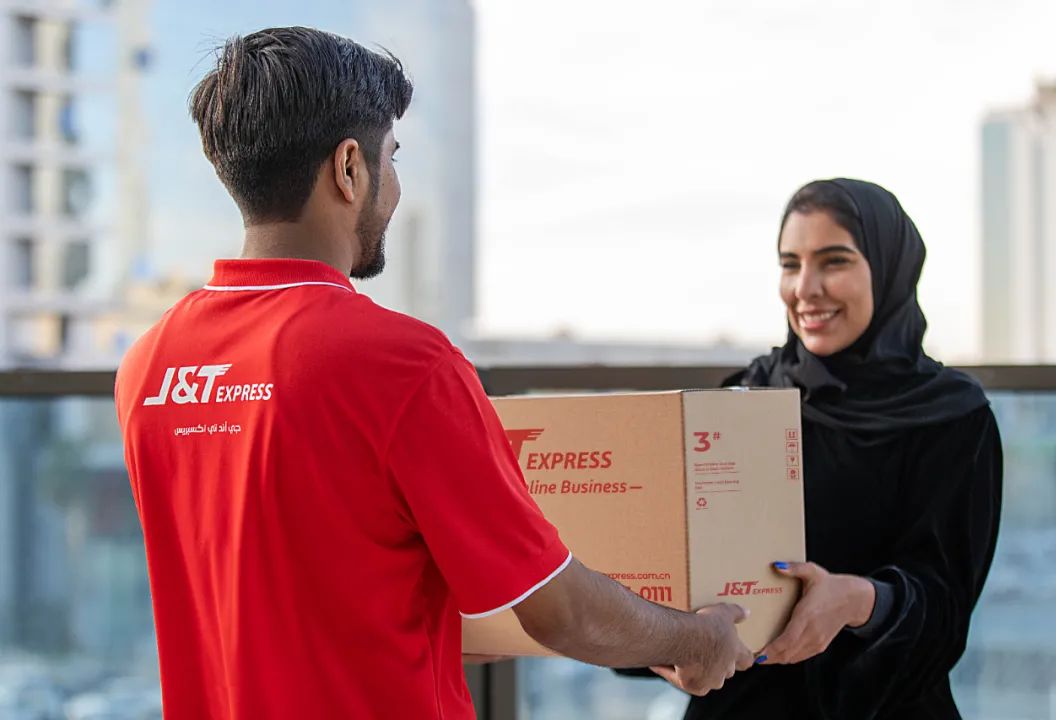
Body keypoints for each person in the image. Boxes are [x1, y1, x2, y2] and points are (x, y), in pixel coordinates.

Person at [113, 27, 752, 720]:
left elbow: (286, 587)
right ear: (349, 168)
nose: (392, 184)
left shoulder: (149, 365)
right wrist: (699, 636)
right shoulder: (401, 363)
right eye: (392, 157)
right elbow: (556, 609)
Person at [629, 178, 1003, 719]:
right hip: (740, 707)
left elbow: (945, 611)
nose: (806, 287)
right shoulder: (745, 396)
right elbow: (678, 563)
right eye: (790, 264)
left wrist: (858, 601)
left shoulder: (950, 417)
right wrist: (665, 640)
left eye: (834, 262)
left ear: (889, 267)